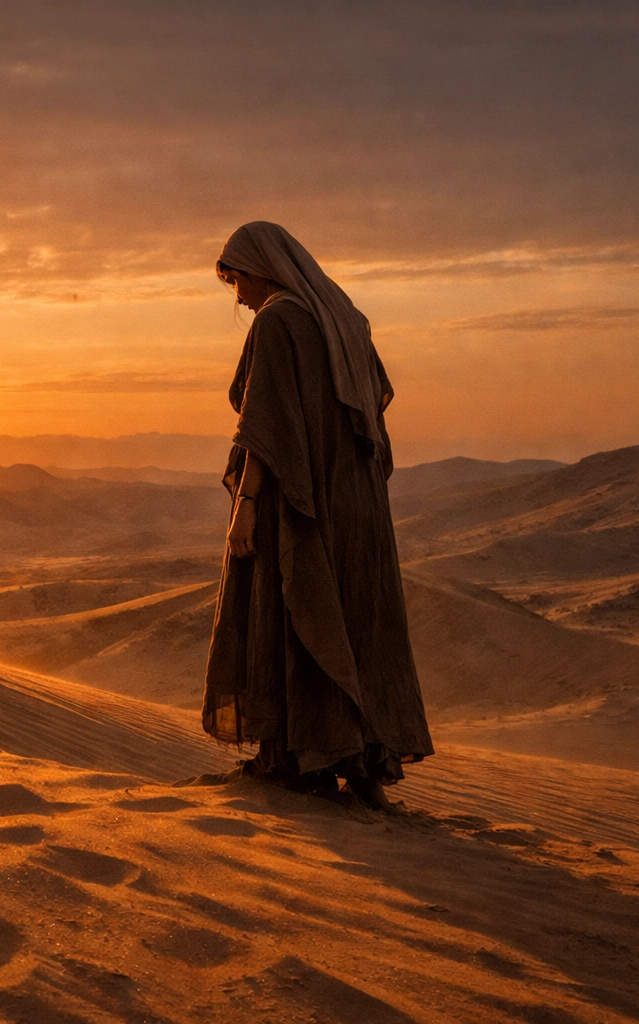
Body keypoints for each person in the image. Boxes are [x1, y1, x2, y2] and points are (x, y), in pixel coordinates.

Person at [199, 221, 433, 810]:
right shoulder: (345, 320)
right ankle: (363, 761)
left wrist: (246, 506)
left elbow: (265, 426)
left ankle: (300, 756)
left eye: (238, 280)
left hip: (300, 496)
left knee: (298, 611)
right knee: (355, 619)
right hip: (358, 506)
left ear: (263, 268)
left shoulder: (281, 318)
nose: (239, 297)